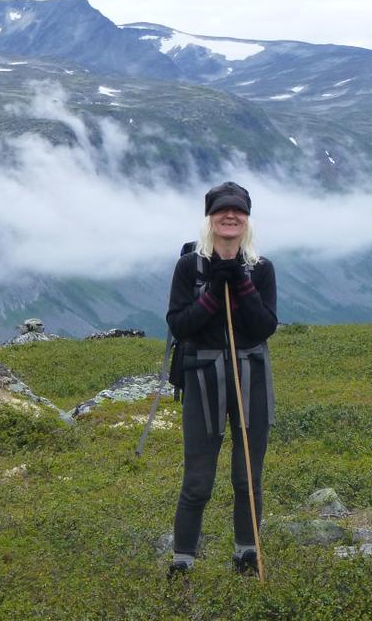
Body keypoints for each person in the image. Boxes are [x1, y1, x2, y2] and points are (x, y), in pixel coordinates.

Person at [165, 181, 277, 578]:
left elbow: (264, 326)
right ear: (209, 218)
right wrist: (214, 290)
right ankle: (182, 561)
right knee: (197, 478)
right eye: (221, 210)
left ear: (247, 218)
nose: (230, 216)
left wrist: (241, 284)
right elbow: (179, 324)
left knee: (248, 476)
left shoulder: (260, 269)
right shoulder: (189, 267)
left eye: (238, 210)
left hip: (252, 378)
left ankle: (247, 555)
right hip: (202, 378)